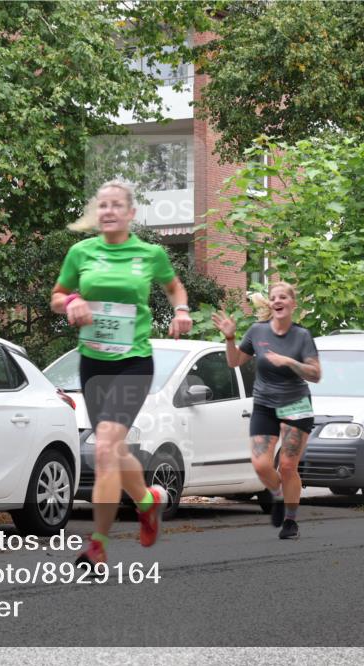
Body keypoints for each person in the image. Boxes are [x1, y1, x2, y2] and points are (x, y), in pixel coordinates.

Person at [51, 180, 193, 568]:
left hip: (134, 363)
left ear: (131, 213)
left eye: (116, 205)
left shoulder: (150, 254)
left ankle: (97, 545)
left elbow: (175, 288)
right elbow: (57, 296)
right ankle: (147, 501)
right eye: (103, 205)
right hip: (93, 363)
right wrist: (72, 301)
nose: (109, 211)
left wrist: (181, 311)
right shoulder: (81, 252)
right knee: (114, 450)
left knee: (104, 448)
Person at [212, 281, 321, 539]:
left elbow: (316, 374)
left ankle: (290, 521)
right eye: (274, 298)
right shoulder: (257, 331)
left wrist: (289, 361)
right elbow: (234, 361)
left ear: (293, 303)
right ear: (270, 305)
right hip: (264, 404)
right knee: (261, 465)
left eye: (283, 297)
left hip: (296, 405)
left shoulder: (302, 336)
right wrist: (230, 338)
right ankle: (278, 495)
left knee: (287, 466)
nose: (278, 301)